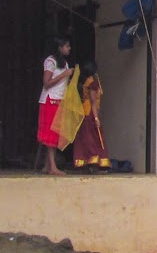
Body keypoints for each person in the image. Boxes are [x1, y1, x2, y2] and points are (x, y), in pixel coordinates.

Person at [37, 36, 74, 175]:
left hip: (59, 100)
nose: (69, 48)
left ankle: (47, 166)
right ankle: (53, 167)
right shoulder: (50, 61)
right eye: (67, 46)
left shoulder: (64, 63)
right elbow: (47, 83)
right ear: (60, 48)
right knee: (50, 134)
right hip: (49, 100)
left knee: (56, 134)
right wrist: (64, 74)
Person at [71, 62, 110, 171]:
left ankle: (89, 162)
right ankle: (93, 162)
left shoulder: (87, 82)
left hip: (86, 111)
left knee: (87, 137)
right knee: (93, 138)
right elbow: (93, 101)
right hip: (90, 113)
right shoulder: (92, 83)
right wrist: (96, 118)